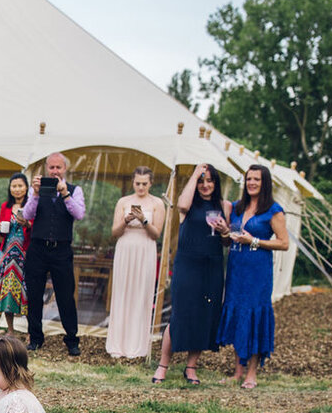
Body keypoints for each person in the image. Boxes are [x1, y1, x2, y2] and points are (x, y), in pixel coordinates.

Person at [152, 164, 230, 384]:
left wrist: (225, 232)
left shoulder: (224, 206)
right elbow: (181, 204)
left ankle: (191, 367)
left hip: (212, 265)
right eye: (201, 181)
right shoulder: (188, 205)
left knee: (205, 316)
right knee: (180, 314)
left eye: (209, 181)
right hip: (188, 264)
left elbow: (225, 242)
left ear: (216, 183)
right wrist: (196, 172)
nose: (205, 185)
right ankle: (162, 366)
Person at [212, 165, 289, 389]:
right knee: (238, 315)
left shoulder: (273, 210)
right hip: (237, 269)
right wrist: (225, 233)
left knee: (254, 316)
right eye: (249, 179)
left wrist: (254, 241)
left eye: (256, 179)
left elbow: (283, 243)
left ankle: (251, 373)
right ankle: (237, 371)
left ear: (265, 183)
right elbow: (228, 241)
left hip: (258, 272)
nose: (252, 183)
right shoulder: (236, 207)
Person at [22, 152, 85, 356]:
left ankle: (72, 340)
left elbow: (79, 214)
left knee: (66, 295)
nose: (55, 171)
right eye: (51, 168)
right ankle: (36, 338)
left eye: (58, 168)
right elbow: (27, 215)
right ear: (46, 169)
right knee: (34, 295)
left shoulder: (75, 190)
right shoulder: (37, 191)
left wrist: (65, 194)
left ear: (65, 169)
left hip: (62, 249)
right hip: (38, 248)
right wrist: (36, 193)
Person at [105, 167, 165, 358]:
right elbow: (114, 232)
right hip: (125, 248)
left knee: (141, 294)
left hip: (145, 248)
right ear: (133, 182)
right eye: (137, 183)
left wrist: (144, 220)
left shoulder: (157, 203)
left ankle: (137, 345)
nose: (140, 187)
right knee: (122, 292)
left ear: (150, 183)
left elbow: (157, 234)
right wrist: (126, 220)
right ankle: (118, 344)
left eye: (144, 184)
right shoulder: (123, 201)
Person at [0, 172, 31, 333]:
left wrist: (27, 223)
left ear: (26, 187)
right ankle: (10, 329)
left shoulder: (31, 205)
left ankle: (31, 331)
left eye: (20, 186)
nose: (17, 189)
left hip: (25, 252)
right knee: (7, 290)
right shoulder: (5, 206)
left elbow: (34, 229)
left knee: (26, 291)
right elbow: (3, 233)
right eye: (14, 186)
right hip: (7, 253)